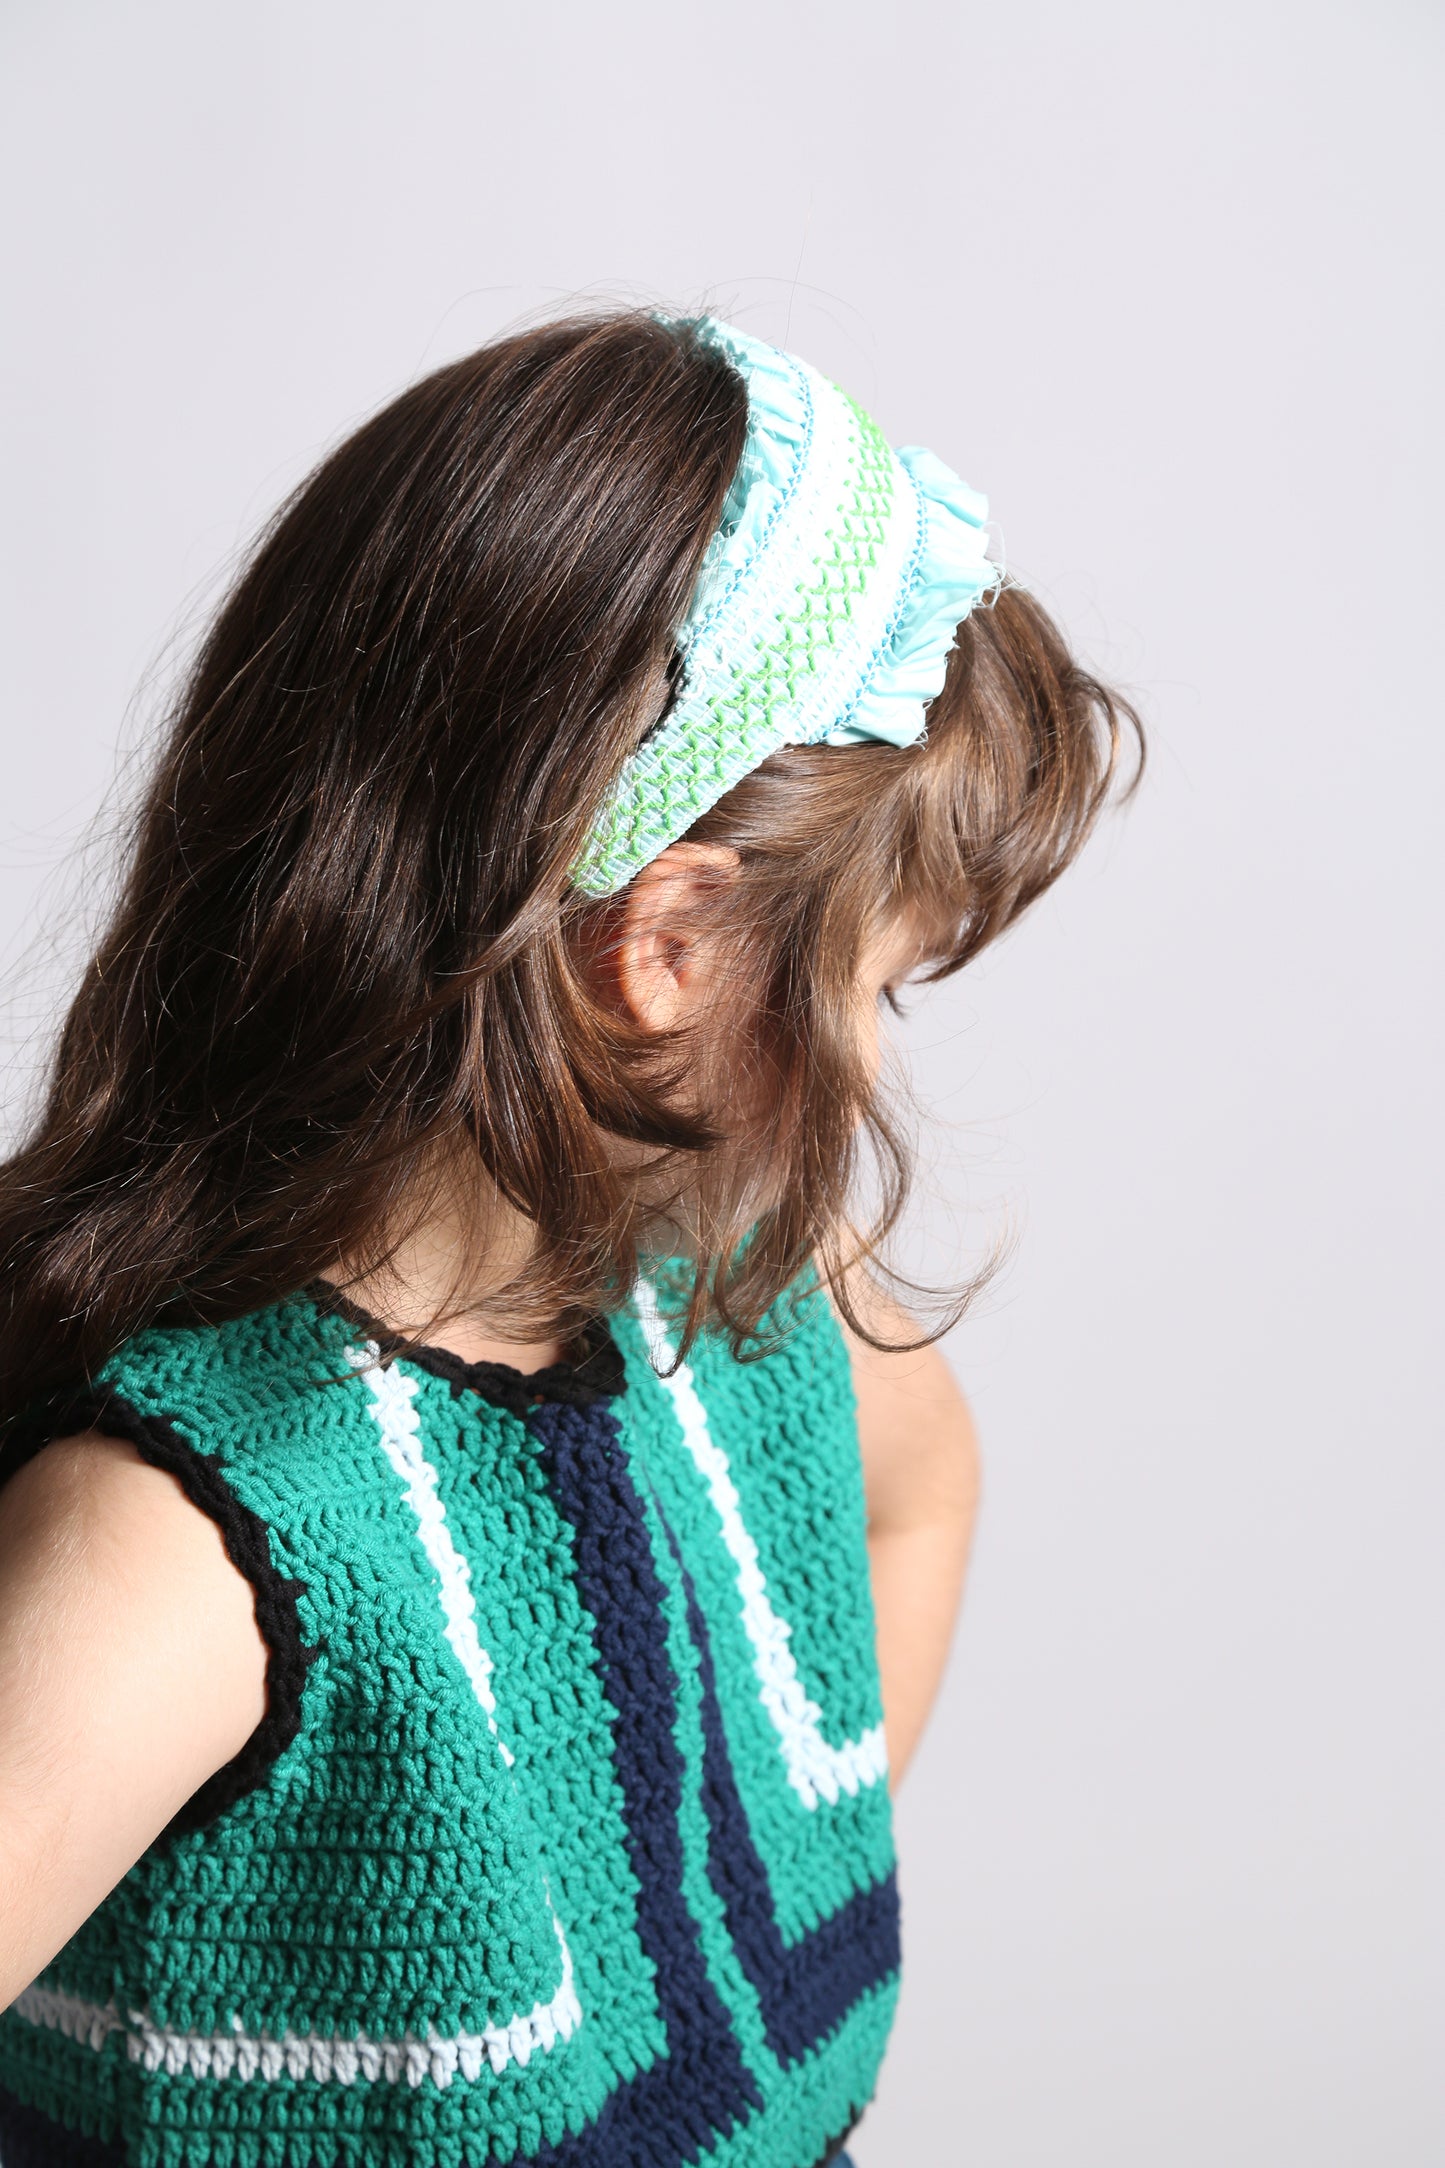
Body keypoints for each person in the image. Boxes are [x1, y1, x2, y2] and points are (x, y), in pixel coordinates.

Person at [0, 311, 1139, 2168]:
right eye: (878, 991)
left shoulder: (745, 1288)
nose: (871, 1056)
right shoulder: (197, 1546)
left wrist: (751, 1922)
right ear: (667, 944)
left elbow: (921, 1489)